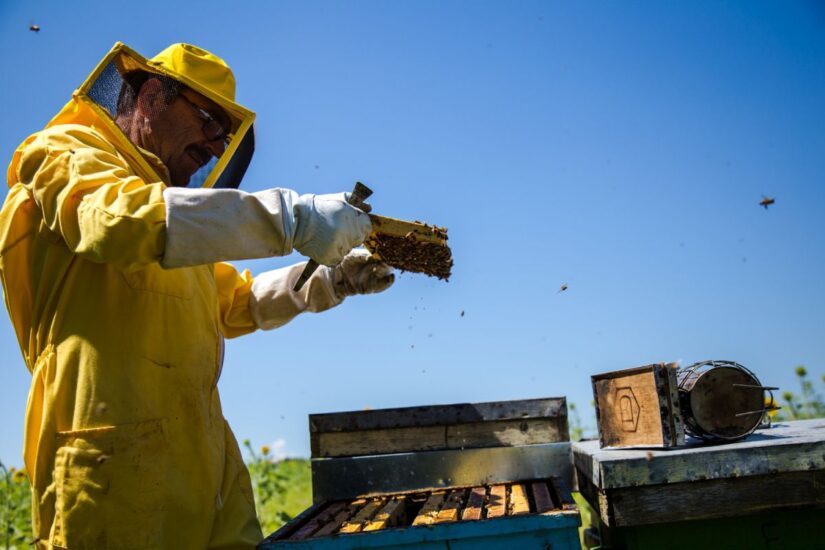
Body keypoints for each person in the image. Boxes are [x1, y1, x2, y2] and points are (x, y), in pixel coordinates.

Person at [0, 42, 394, 549]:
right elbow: (112, 222)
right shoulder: (62, 152)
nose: (214, 146)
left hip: (205, 464)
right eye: (209, 121)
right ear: (151, 96)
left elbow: (235, 303)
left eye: (224, 136)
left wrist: (332, 281)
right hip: (107, 467)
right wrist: (289, 217)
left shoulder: (176, 222)